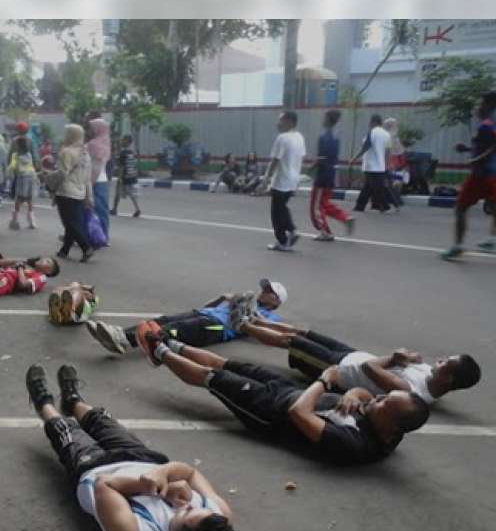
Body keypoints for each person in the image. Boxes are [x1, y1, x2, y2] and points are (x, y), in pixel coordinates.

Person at [26, 364, 237, 531]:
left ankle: (43, 403)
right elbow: (190, 472)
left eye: (186, 512)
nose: (189, 504)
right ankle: (73, 401)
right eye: (198, 508)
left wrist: (153, 486)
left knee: (63, 429)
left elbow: (104, 486)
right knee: (101, 420)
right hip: (143, 459)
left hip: (96, 469)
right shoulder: (218, 517)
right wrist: (162, 472)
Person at [137, 325, 431, 465]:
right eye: (383, 397)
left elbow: (298, 414)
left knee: (211, 377)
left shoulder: (355, 445)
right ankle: (171, 344)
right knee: (225, 362)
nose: (377, 399)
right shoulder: (391, 426)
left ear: (391, 424)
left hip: (270, 412)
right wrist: (355, 392)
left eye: (384, 402)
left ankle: (158, 350)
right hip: (290, 390)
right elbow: (364, 394)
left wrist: (325, 381)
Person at [231, 316, 482, 406]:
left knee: (291, 342)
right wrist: (407, 357)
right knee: (303, 332)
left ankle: (241, 325)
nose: (438, 360)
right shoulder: (429, 376)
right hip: (350, 353)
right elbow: (407, 360)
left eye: (444, 363)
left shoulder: (411, 392)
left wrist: (396, 357)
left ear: (448, 379)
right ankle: (256, 318)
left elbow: (368, 368)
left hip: (341, 369)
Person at [86, 279, 286, 356]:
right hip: (204, 314)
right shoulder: (245, 299)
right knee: (163, 320)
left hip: (217, 329)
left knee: (175, 329)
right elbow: (205, 307)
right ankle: (119, 334)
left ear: (276, 301)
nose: (264, 291)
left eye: (269, 291)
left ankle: (124, 341)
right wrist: (221, 299)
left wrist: (252, 315)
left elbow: (264, 330)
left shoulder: (271, 316)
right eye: (265, 288)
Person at [441, 91, 496, 260]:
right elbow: (485, 145)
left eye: (481, 103)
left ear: (489, 105)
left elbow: (493, 146)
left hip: (482, 174)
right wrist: (466, 149)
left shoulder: (486, 125)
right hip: (492, 174)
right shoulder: (491, 124)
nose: (478, 107)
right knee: (494, 207)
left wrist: (476, 159)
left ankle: (457, 246)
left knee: (460, 208)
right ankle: (492, 240)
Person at [309, 109, 354, 241]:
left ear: (328, 120)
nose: (322, 120)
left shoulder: (324, 137)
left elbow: (321, 158)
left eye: (324, 118)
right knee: (324, 203)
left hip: (322, 175)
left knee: (316, 206)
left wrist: (311, 167)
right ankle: (345, 218)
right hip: (331, 173)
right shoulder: (336, 137)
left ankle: (325, 232)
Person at [264, 111, 305, 251]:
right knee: (282, 208)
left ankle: (284, 239)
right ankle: (291, 232)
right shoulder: (299, 137)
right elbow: (300, 158)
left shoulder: (282, 138)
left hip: (281, 181)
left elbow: (274, 161)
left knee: (276, 213)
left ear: (290, 122)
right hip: (293, 181)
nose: (278, 123)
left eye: (281, 120)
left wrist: (265, 180)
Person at [54, 124, 95, 262]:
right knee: (73, 222)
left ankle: (86, 247)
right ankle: (64, 250)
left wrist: (48, 178)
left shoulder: (66, 152)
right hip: (80, 192)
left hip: (66, 191)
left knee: (70, 223)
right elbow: (88, 178)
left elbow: (62, 174)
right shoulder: (85, 154)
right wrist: (89, 196)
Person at [352, 114, 394, 213]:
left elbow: (365, 147)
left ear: (374, 122)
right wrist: (386, 164)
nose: (369, 124)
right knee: (369, 187)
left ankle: (383, 206)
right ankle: (361, 206)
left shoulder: (371, 133)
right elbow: (388, 151)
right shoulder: (387, 134)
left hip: (370, 165)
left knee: (375, 188)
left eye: (370, 122)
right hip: (380, 166)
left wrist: (354, 158)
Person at [86, 118, 112, 241]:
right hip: (103, 179)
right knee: (102, 210)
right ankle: (104, 235)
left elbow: (95, 166)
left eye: (91, 128)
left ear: (97, 129)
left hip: (94, 179)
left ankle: (96, 236)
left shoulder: (93, 144)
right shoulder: (106, 142)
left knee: (91, 208)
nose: (89, 130)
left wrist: (90, 182)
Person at [8, 135, 38, 230]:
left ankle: (15, 220)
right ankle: (32, 220)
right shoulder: (29, 154)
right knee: (29, 199)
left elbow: (12, 167)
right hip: (31, 176)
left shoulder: (15, 156)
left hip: (22, 178)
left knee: (19, 198)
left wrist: (9, 174)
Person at [111, 134, 141, 218]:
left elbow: (121, 166)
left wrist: (119, 178)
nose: (121, 141)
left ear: (127, 141)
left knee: (117, 193)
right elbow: (134, 164)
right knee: (132, 194)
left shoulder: (123, 153)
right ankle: (137, 209)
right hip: (132, 175)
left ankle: (114, 209)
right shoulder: (132, 152)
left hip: (124, 176)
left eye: (123, 140)